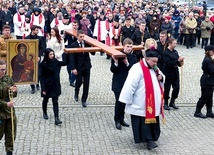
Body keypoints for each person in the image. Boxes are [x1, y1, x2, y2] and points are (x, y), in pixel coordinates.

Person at [119, 48, 165, 150]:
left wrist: (161, 77)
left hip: (153, 102)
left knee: (153, 122)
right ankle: (148, 141)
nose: (155, 63)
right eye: (153, 61)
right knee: (144, 123)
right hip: (141, 102)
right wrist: (126, 100)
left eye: (156, 61)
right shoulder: (137, 68)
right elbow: (130, 85)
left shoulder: (155, 67)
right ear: (147, 59)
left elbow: (162, 76)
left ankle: (153, 138)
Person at [110, 38, 137, 130]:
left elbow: (134, 71)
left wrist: (127, 63)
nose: (129, 48)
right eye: (127, 47)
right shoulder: (117, 55)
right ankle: (117, 120)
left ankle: (121, 119)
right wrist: (116, 62)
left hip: (127, 83)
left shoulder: (133, 58)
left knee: (124, 102)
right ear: (123, 46)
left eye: (130, 47)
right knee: (119, 102)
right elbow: (113, 70)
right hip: (118, 83)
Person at [40, 48, 66, 125]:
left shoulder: (55, 61)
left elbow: (65, 63)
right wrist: (43, 89)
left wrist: (67, 54)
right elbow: (42, 77)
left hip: (55, 84)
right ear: (47, 55)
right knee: (46, 100)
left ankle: (56, 118)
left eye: (53, 54)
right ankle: (44, 112)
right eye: (50, 54)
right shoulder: (43, 64)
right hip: (47, 85)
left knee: (55, 101)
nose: (52, 56)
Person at [70, 30, 95, 108]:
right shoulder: (73, 45)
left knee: (86, 84)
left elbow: (93, 53)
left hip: (87, 66)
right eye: (80, 37)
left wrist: (92, 45)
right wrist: (73, 68)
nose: (82, 38)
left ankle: (84, 100)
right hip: (78, 67)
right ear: (77, 36)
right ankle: (76, 93)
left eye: (83, 37)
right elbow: (72, 58)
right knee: (79, 82)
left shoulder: (86, 44)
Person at [0, 59, 17, 155]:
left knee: (11, 135)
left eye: (4, 69)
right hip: (0, 113)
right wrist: (5, 104)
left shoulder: (8, 78)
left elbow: (13, 94)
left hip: (9, 113)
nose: (4, 71)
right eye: (1, 70)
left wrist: (14, 90)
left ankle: (9, 152)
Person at [162, 38, 185, 110]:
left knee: (176, 88)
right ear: (170, 43)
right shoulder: (165, 53)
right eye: (174, 43)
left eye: (176, 43)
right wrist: (177, 60)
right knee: (167, 89)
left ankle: (172, 101)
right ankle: (165, 103)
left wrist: (180, 62)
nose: (175, 45)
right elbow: (169, 63)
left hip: (175, 72)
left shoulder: (175, 52)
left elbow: (177, 62)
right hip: (168, 72)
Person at [194, 45, 214, 119]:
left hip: (210, 80)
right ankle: (197, 111)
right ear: (208, 51)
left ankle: (209, 111)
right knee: (204, 97)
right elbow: (212, 71)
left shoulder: (209, 59)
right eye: (212, 51)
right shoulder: (208, 60)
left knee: (209, 97)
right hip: (207, 80)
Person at [25, 25, 45, 94]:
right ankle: (32, 87)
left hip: (37, 58)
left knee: (39, 72)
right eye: (36, 30)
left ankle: (37, 83)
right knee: (30, 72)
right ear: (32, 30)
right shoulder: (27, 38)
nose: (38, 31)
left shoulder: (39, 38)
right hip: (30, 58)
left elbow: (42, 48)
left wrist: (39, 55)